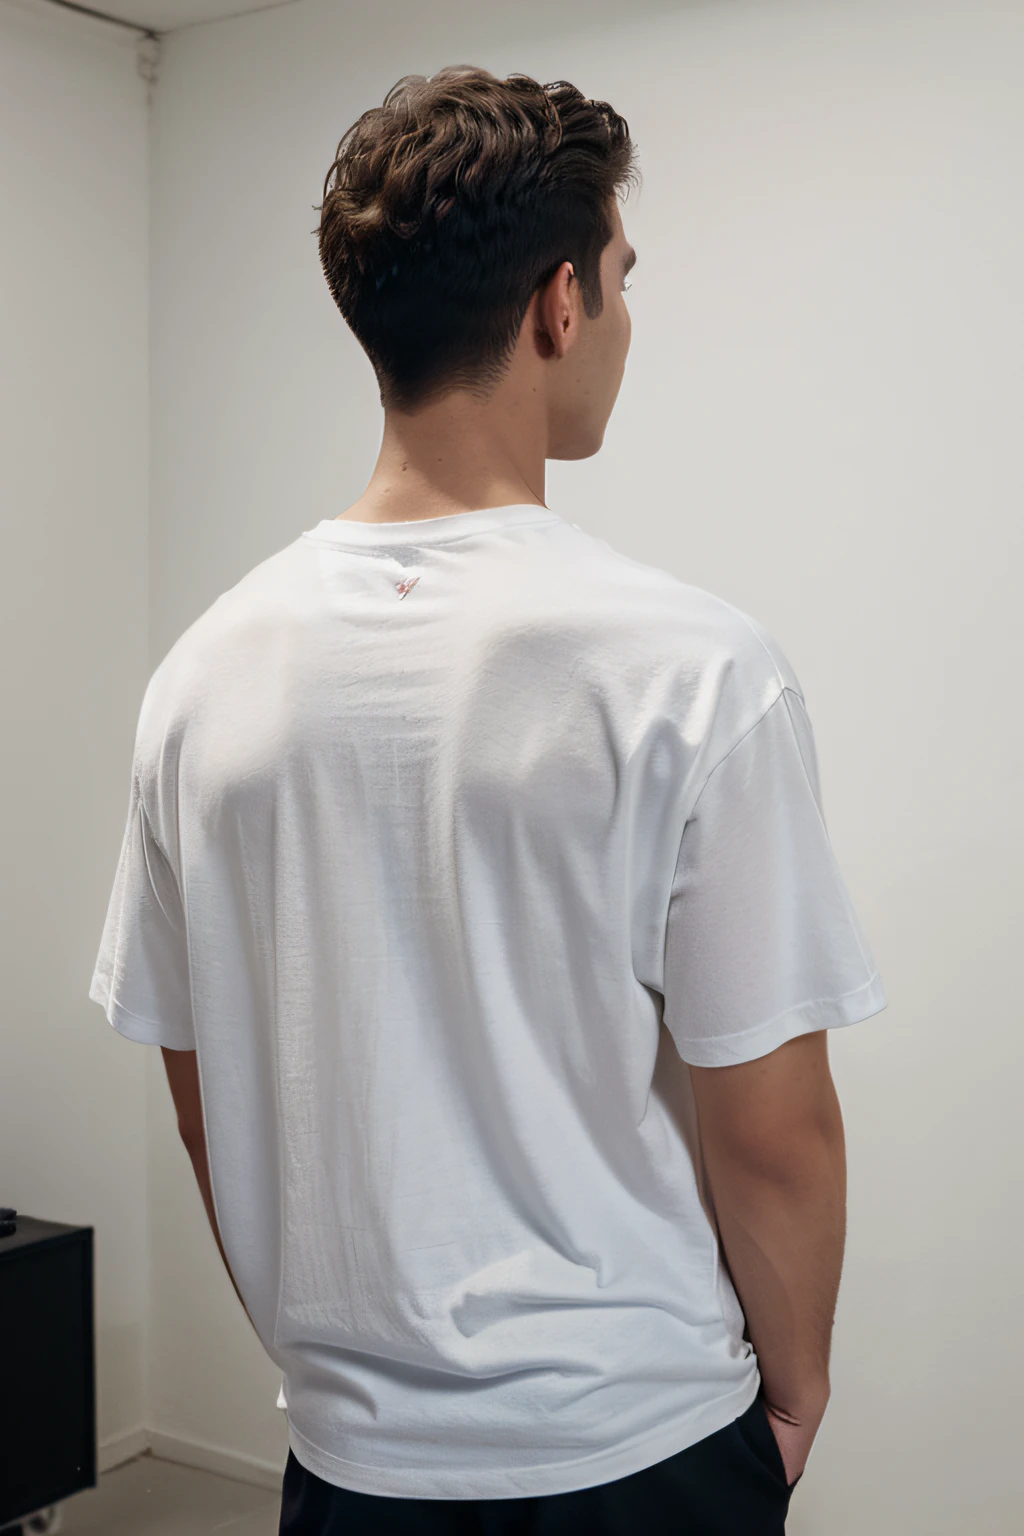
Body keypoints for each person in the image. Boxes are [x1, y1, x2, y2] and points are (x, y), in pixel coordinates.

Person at [89, 66, 887, 1535]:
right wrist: (795, 1398)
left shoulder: (200, 681)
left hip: (350, 1469)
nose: (625, 320)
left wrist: (343, 1378)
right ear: (559, 305)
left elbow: (209, 1107)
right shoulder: (695, 671)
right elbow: (774, 1132)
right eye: (623, 279)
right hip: (642, 1449)